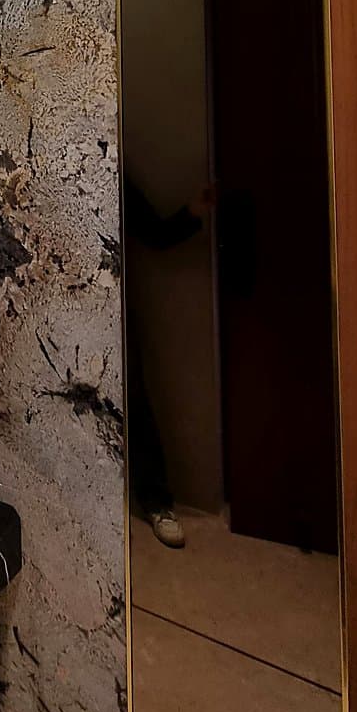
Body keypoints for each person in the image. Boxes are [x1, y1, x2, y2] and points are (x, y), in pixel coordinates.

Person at [124, 180, 213, 550]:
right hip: (48, 305)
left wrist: (193, 210)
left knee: (132, 401)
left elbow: (154, 234)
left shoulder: (110, 169)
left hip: (107, 304)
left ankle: (157, 502)